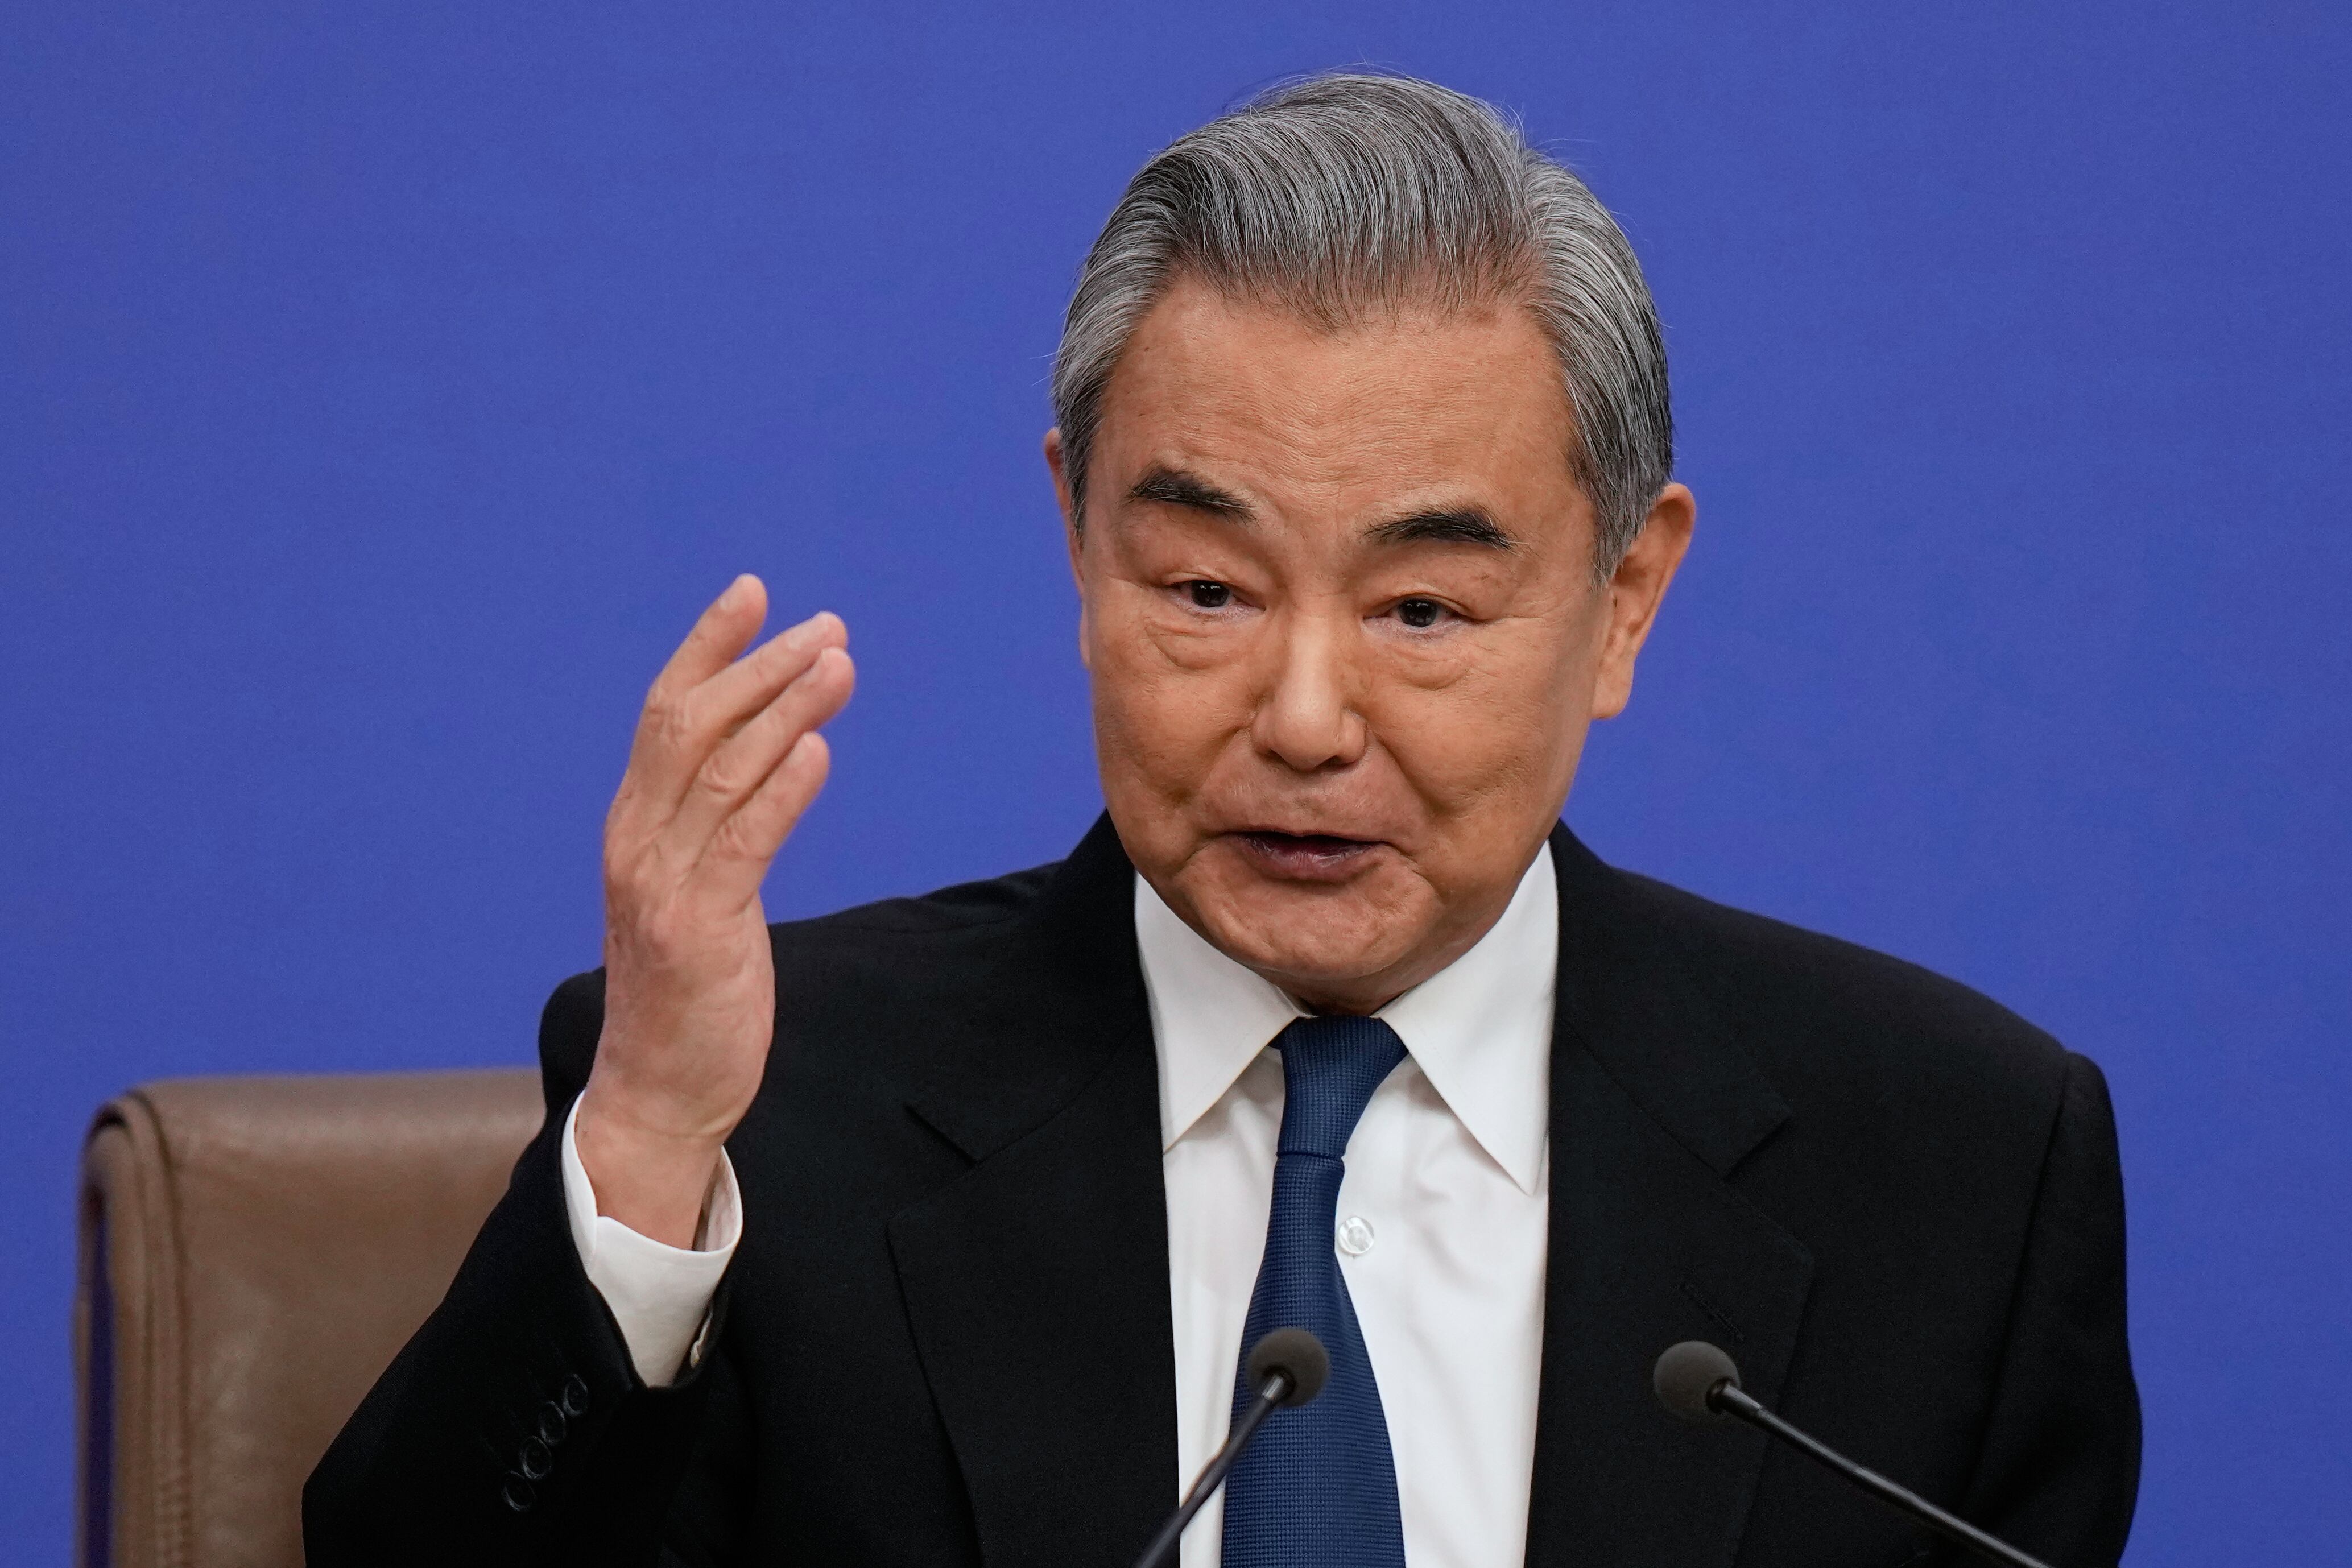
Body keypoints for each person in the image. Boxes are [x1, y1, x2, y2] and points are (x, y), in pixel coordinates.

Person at [305, 72, 2139, 1567]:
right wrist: (641, 1155)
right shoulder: (771, 1117)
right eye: (1203, 589)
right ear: (1076, 537)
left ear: (1627, 600)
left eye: (1421, 610)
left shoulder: (1956, 1170)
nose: (1306, 717)